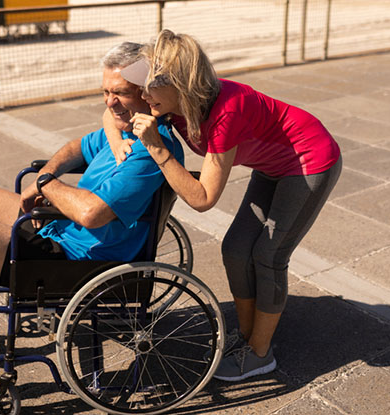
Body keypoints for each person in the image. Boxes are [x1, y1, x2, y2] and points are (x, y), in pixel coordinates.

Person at [0, 42, 184, 381]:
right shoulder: (124, 130)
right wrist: (49, 172)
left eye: (120, 93)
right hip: (60, 231)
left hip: (80, 261)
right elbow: (77, 147)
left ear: (149, 94)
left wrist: (47, 185)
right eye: (105, 91)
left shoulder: (150, 148)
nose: (109, 102)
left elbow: (92, 214)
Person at [103, 29, 342, 382]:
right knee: (234, 248)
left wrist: (156, 148)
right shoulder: (166, 101)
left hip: (309, 159)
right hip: (271, 164)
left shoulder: (225, 112)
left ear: (181, 85)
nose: (142, 94)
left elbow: (202, 199)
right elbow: (114, 112)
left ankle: (260, 354)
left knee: (268, 256)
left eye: (149, 86)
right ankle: (246, 338)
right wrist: (116, 143)